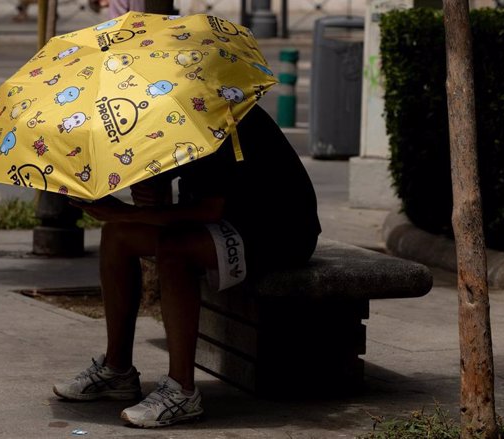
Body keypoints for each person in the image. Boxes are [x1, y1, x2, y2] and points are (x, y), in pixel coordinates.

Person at [52, 104, 322, 427]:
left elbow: (208, 210)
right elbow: (166, 203)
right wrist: (146, 194)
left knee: (174, 250)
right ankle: (117, 369)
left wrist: (129, 213)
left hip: (279, 231)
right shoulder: (167, 115)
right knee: (117, 236)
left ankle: (182, 391)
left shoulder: (219, 115)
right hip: (230, 219)